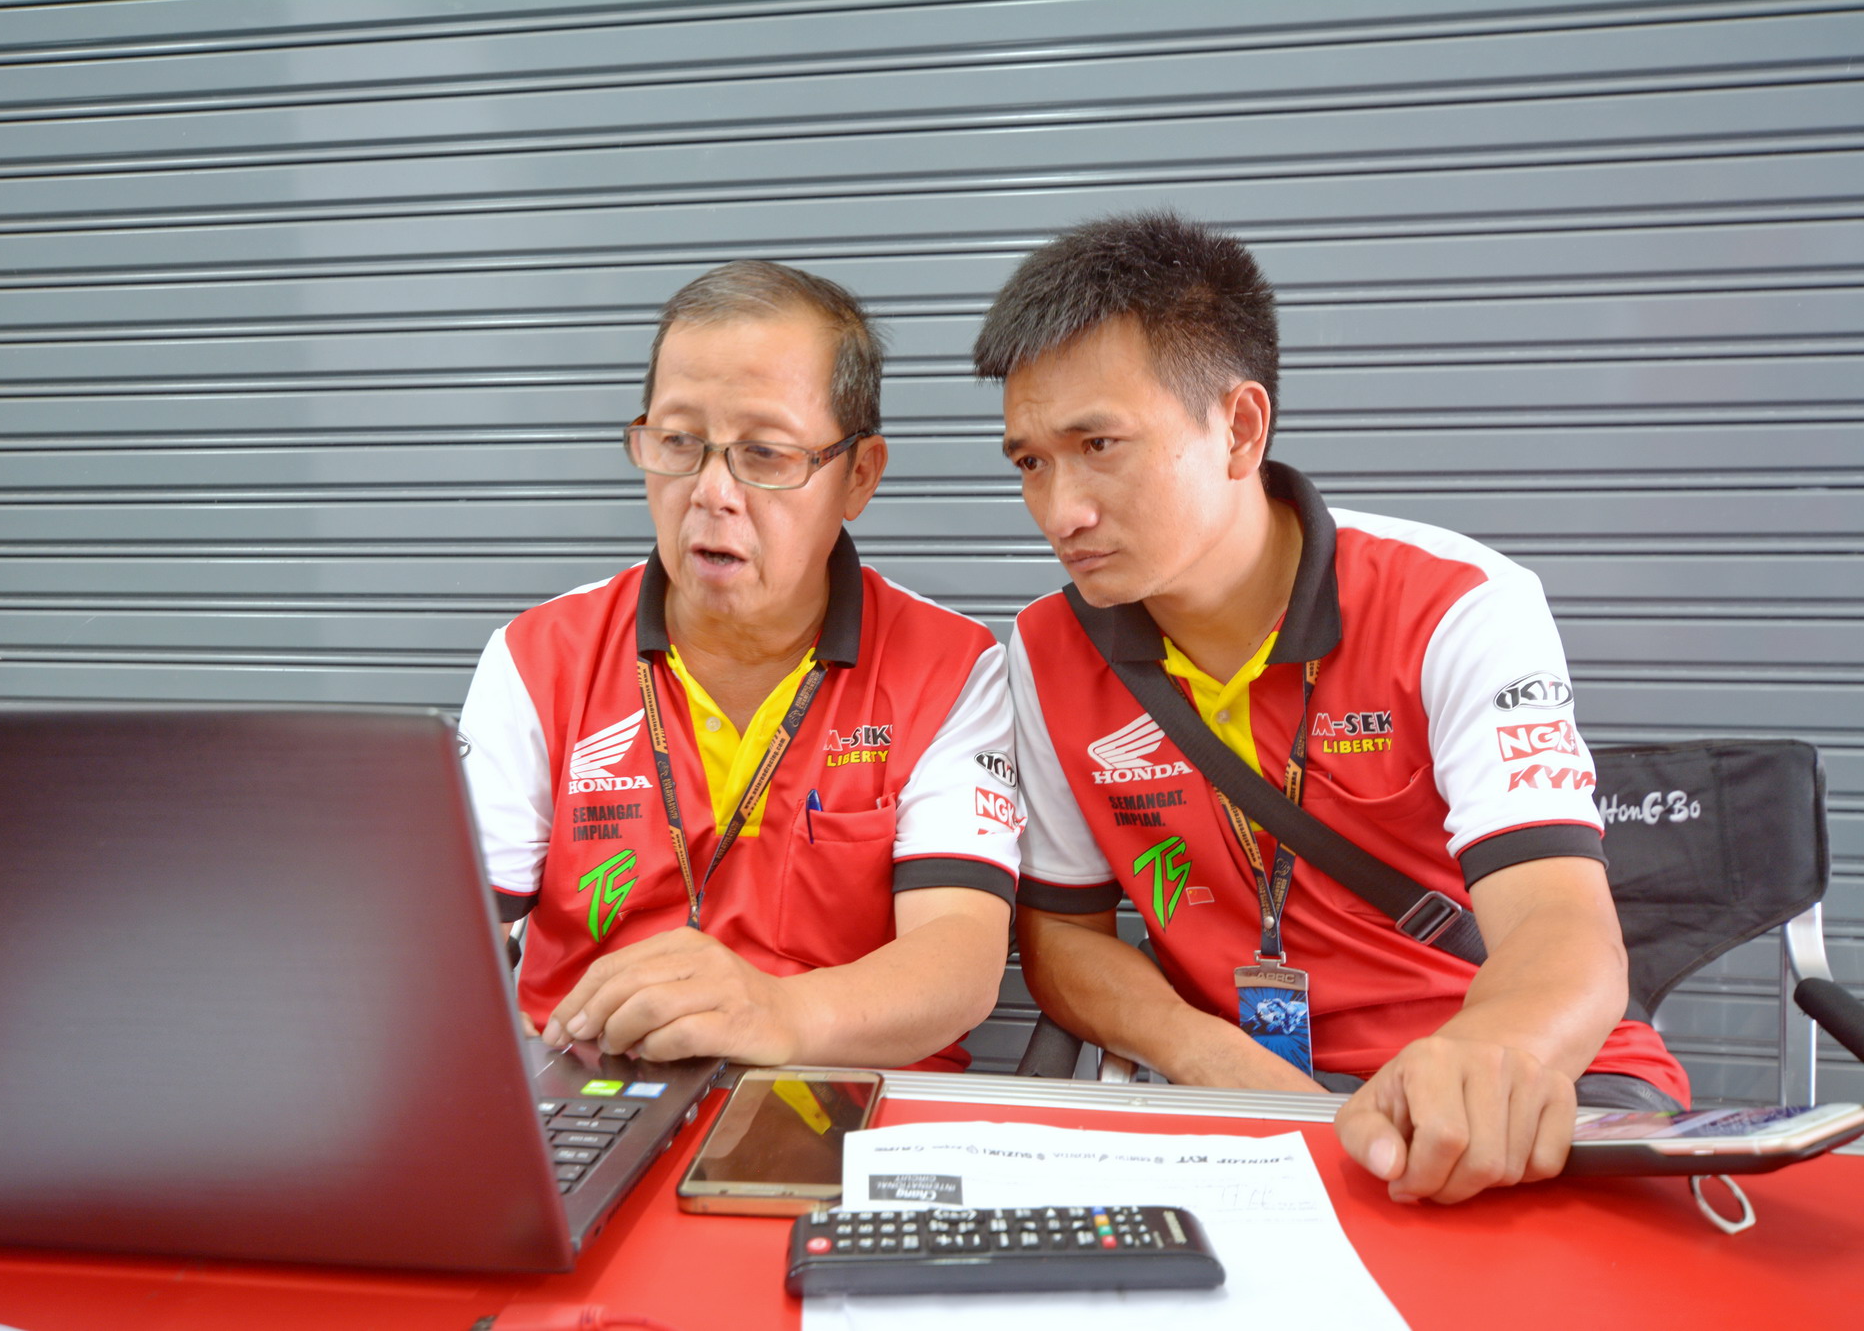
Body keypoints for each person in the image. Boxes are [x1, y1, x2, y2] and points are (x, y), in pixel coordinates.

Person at [975, 212, 1689, 1202]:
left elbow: (1560, 924)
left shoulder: (1455, 604)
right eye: (1030, 462)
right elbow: (1064, 941)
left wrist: (1483, 1060)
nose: (1060, 512)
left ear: (1239, 428)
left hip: (1510, 1079)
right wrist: (1207, 1055)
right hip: (1244, 1103)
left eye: (1099, 444)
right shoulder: (1046, 648)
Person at [458, 260, 1017, 1072]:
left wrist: (778, 1012)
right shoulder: (538, 657)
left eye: (764, 453)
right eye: (679, 442)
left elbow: (960, 958)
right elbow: (448, 945)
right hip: (591, 1091)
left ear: (859, 475)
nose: (711, 492)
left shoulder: (950, 670)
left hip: (843, 1095)